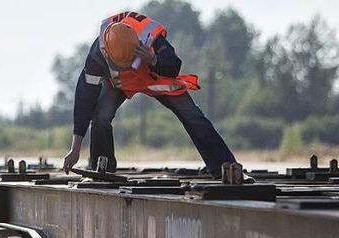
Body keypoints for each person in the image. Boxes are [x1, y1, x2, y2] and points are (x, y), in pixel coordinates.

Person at [62, 11, 237, 177]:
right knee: (101, 116)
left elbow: (174, 66)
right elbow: (84, 100)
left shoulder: (152, 39)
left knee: (192, 115)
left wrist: (153, 59)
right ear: (106, 53)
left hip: (153, 74)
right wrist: (75, 148)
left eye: (129, 62)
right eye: (121, 63)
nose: (126, 66)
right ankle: (102, 168)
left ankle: (224, 165)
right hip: (119, 83)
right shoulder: (96, 57)